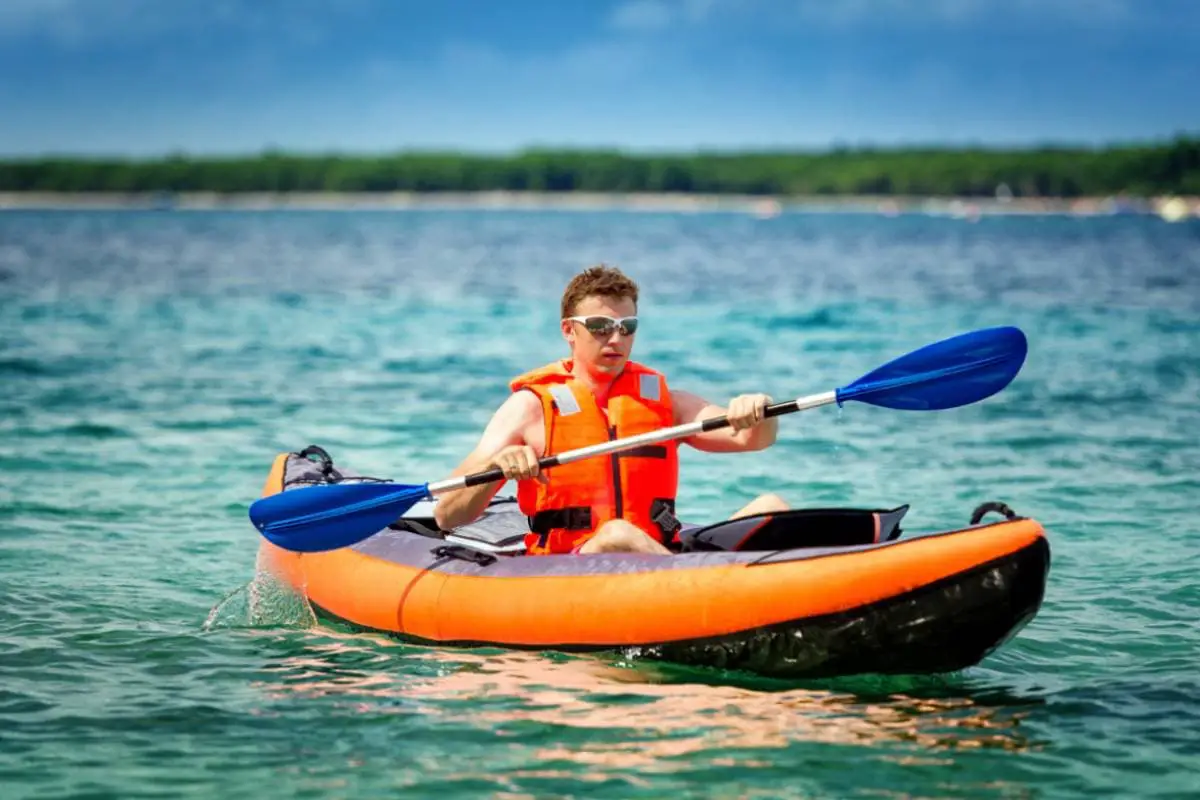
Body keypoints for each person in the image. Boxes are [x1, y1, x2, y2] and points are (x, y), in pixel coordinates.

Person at [433, 264, 789, 555]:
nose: (616, 339)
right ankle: (707, 592)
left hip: (658, 553)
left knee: (771, 505)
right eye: (601, 327)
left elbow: (753, 439)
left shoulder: (666, 402)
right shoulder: (529, 408)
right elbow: (447, 514)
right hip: (572, 563)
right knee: (618, 534)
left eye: (627, 327)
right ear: (569, 331)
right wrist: (496, 468)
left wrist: (759, 409)